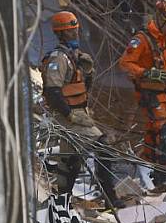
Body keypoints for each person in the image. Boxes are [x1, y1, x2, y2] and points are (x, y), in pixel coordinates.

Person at [41, 11, 115, 202]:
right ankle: (110, 197)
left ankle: (62, 198)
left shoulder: (75, 56)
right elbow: (53, 92)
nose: (75, 34)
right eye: (70, 31)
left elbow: (82, 89)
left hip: (79, 112)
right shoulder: (58, 58)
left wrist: (88, 72)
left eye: (75, 30)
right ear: (61, 33)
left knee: (70, 159)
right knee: (103, 145)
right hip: (65, 115)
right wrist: (70, 115)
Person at [119, 0, 166, 185]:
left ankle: (148, 165)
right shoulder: (142, 39)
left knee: (153, 130)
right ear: (161, 18)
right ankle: (163, 173)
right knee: (165, 132)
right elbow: (125, 64)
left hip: (164, 93)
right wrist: (147, 72)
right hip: (149, 92)